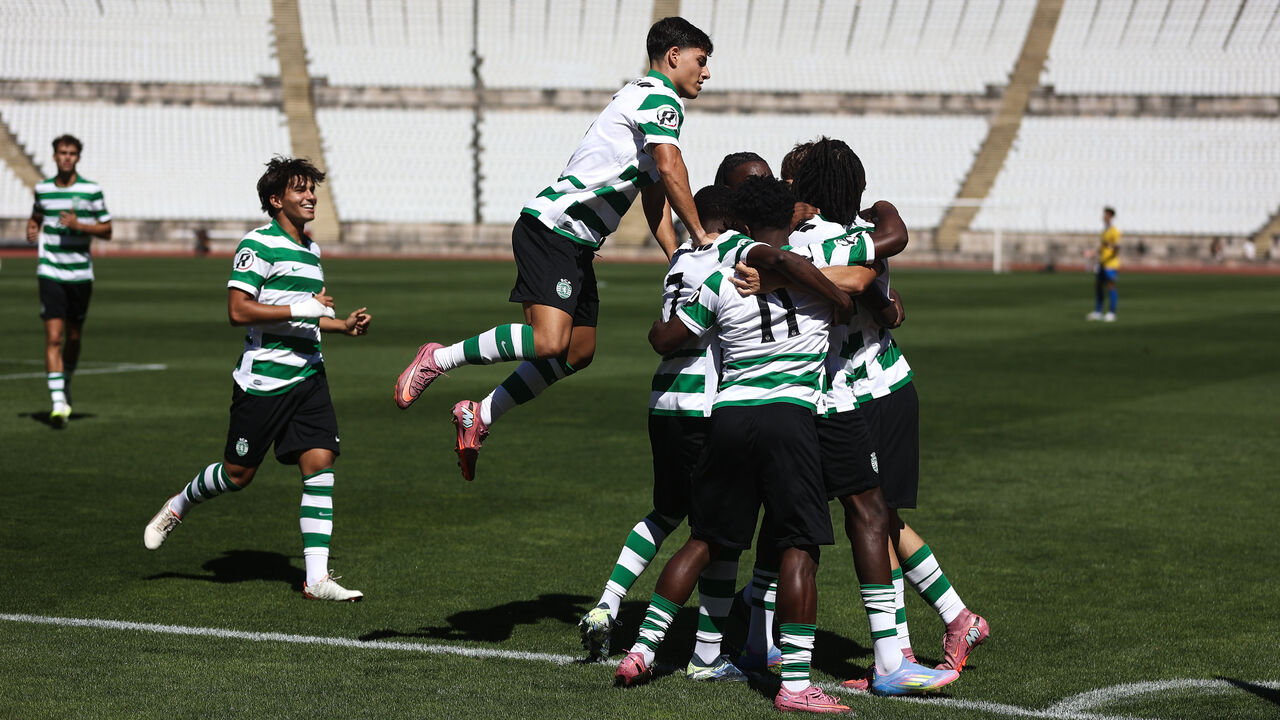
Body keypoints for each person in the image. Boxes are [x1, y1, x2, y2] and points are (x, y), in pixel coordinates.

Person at [392, 17, 714, 482]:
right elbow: (670, 166)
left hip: (576, 242)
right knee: (549, 341)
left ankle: (480, 414)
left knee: (578, 350)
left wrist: (677, 254)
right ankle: (437, 359)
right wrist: (700, 234)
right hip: (554, 229)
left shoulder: (641, 99)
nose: (706, 73)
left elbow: (654, 193)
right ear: (674, 56)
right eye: (701, 61)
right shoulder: (660, 99)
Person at [618, 177, 858, 714]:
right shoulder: (816, 276)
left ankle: (642, 649)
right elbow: (855, 299)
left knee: (704, 539)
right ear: (789, 219)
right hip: (789, 418)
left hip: (728, 416)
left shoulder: (722, 279)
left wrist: (661, 320)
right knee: (799, 546)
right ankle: (795, 684)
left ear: (743, 226)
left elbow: (667, 338)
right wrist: (836, 296)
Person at [735, 138, 958, 696]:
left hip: (772, 394)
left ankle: (756, 637)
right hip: (833, 392)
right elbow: (868, 276)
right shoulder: (844, 238)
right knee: (868, 513)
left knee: (786, 524)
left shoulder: (768, 242)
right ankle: (890, 658)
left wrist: (783, 275)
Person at [142, 157, 371, 602]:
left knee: (320, 463)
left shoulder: (312, 249)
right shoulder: (257, 244)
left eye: (312, 189)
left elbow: (305, 317)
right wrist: (301, 308)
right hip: (264, 381)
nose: (310, 196)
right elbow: (238, 310)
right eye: (300, 189)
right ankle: (179, 504)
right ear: (276, 199)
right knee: (238, 474)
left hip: (309, 374)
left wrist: (341, 325)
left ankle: (316, 579)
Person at [26, 134, 112, 428]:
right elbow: (36, 216)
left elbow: (107, 230)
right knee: (54, 337)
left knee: (74, 337)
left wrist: (79, 225)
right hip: (50, 270)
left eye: (72, 153)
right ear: (54, 156)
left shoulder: (91, 190)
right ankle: (57, 403)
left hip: (80, 274)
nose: (67, 158)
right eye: (62, 153)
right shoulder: (43, 189)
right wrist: (32, 228)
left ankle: (65, 382)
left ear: (78, 158)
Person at [1087, 206, 1120, 322]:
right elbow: (1102, 247)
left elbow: (1117, 247)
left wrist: (1108, 245)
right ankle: (1098, 311)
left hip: (1111, 263)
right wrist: (1093, 253)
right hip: (1102, 262)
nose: (1104, 216)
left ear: (1111, 216)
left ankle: (1112, 313)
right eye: (1104, 214)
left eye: (1107, 214)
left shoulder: (1114, 231)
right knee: (1098, 285)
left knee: (1111, 286)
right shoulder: (1105, 231)